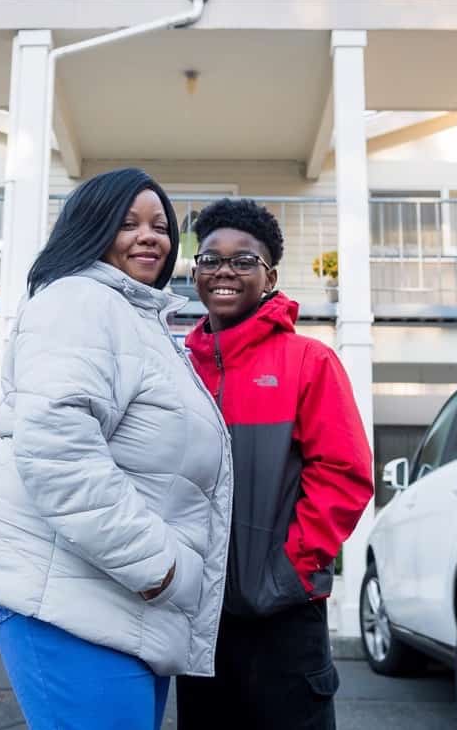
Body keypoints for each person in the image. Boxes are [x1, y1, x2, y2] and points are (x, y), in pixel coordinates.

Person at [0, 168, 234, 730]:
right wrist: (159, 568)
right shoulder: (80, 302)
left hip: (117, 598)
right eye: (127, 223)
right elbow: (58, 449)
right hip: (71, 598)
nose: (148, 235)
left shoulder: (142, 321)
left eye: (159, 224)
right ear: (92, 228)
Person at [176, 198, 375, 730]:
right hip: (199, 617)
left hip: (285, 615)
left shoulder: (309, 362)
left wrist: (289, 570)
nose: (223, 270)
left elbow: (344, 475)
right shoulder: (176, 368)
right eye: (210, 258)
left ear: (270, 278)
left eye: (243, 261)